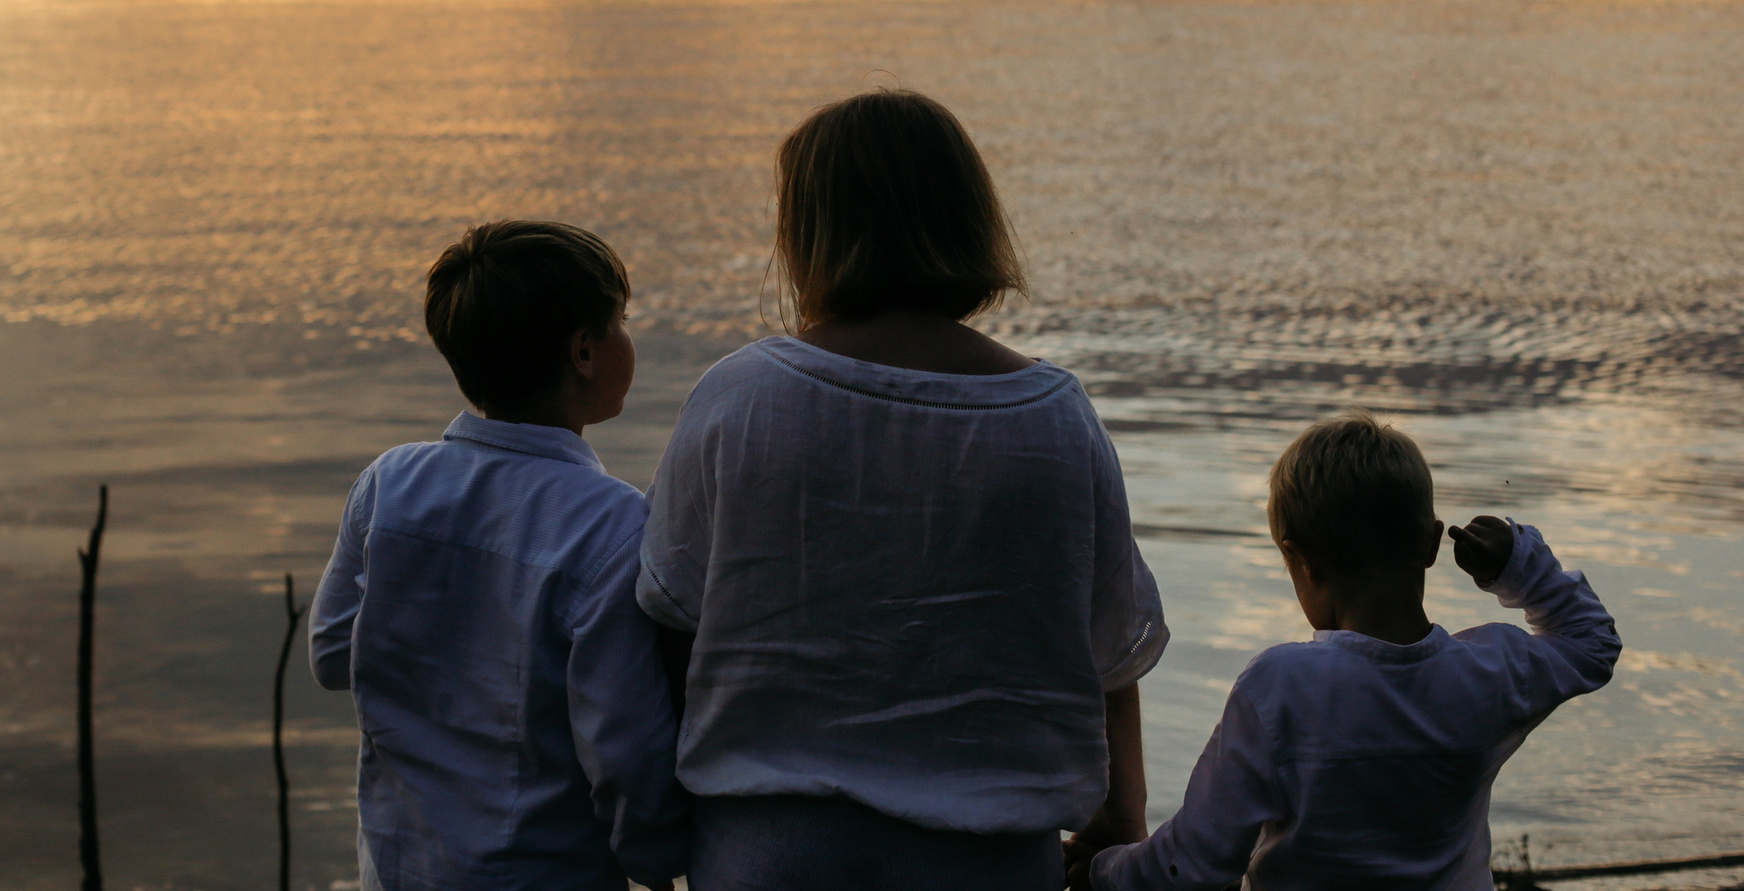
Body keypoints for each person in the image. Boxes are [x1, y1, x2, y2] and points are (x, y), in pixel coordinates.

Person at [639, 88, 1168, 891]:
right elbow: (1110, 649)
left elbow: (674, 624)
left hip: (770, 848)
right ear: (965, 216)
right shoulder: (1054, 419)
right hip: (990, 855)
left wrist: (659, 825)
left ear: (809, 233)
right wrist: (1119, 820)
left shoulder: (739, 398)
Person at [1083, 411, 1621, 891]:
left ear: (1301, 560)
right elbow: (1592, 644)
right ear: (1432, 544)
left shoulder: (1281, 687)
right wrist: (1521, 566)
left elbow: (1196, 865)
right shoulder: (1489, 671)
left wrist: (1103, 869)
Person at [309, 220, 689, 891]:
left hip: (400, 868)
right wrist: (659, 858)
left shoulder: (389, 482)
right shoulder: (610, 525)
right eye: (620, 321)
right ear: (583, 351)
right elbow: (624, 746)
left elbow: (334, 651)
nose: (628, 337)